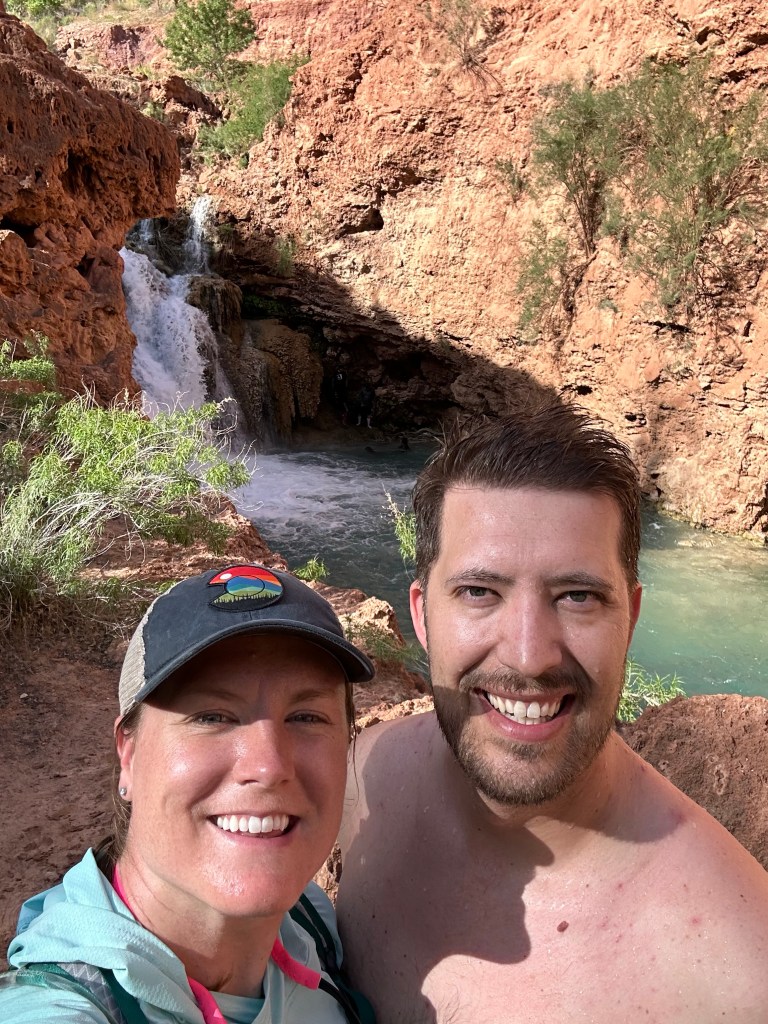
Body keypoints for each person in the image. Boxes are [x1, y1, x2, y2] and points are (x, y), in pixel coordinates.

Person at [337, 402, 768, 1023]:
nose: (530, 655)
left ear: (630, 619)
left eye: (577, 597)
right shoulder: (360, 780)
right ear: (421, 615)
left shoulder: (733, 975)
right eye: (479, 592)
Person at [2, 563, 375, 1024]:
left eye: (306, 717)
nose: (269, 767)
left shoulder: (307, 920)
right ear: (128, 754)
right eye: (212, 716)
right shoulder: (61, 1009)